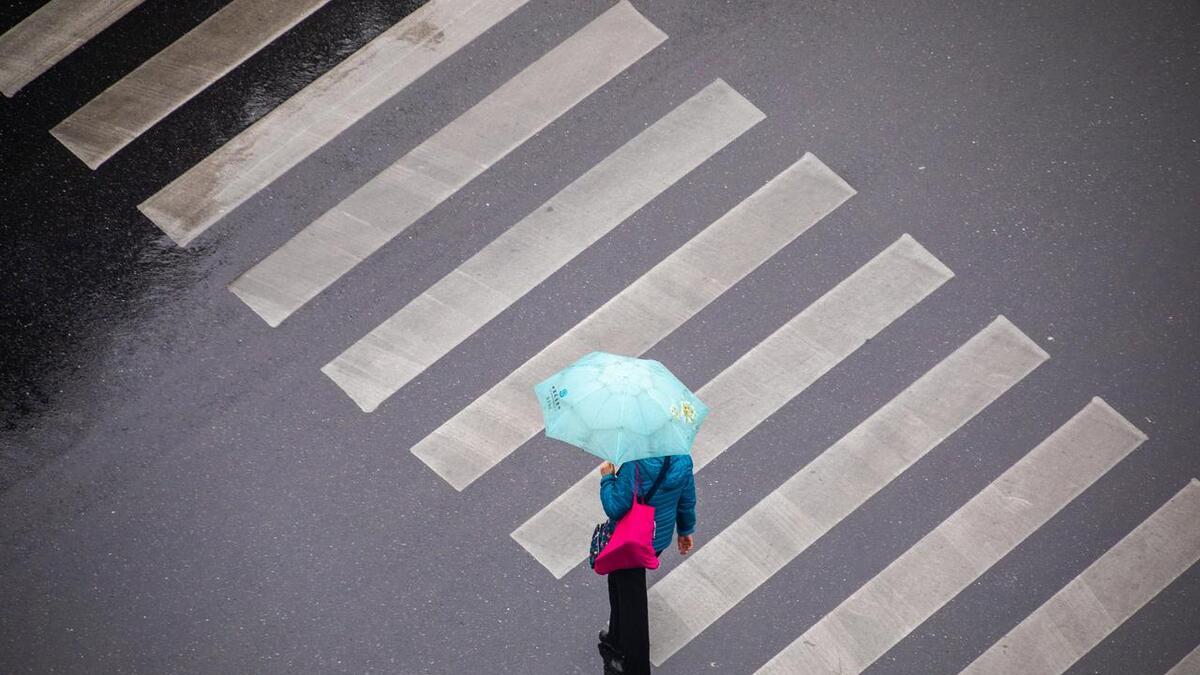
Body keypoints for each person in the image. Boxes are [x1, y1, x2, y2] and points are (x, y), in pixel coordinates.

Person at [597, 454, 697, 675]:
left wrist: (607, 478)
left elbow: (615, 507)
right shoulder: (682, 459)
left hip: (631, 541)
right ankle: (615, 637)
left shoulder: (636, 464)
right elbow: (686, 498)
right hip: (655, 538)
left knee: (633, 606)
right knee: (619, 582)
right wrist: (685, 530)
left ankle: (635, 667)